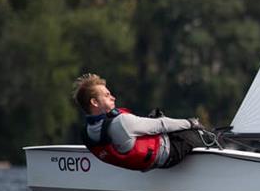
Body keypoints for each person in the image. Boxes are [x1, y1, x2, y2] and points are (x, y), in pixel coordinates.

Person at [72, 73, 205, 171]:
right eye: (107, 95)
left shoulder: (87, 133)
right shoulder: (121, 122)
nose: (113, 97)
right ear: (94, 102)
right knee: (198, 134)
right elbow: (161, 125)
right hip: (170, 153)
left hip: (147, 163)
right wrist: (191, 123)